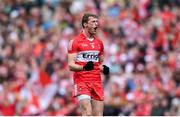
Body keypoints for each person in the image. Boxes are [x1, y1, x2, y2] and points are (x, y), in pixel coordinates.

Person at [67, 13, 110, 116]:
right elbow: (70, 65)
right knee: (87, 113)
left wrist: (103, 68)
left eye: (97, 22)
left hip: (96, 81)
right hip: (82, 81)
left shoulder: (99, 43)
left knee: (98, 115)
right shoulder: (75, 42)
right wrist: (84, 67)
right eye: (93, 22)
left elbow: (98, 63)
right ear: (85, 24)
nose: (97, 24)